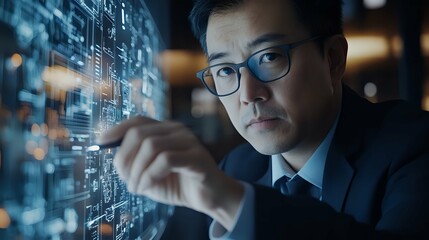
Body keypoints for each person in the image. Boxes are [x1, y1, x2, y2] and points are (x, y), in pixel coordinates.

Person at [98, 0, 429, 239]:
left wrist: (234, 202)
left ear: (332, 59)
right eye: (226, 71)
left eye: (269, 57)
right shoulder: (237, 167)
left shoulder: (414, 146)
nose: (248, 94)